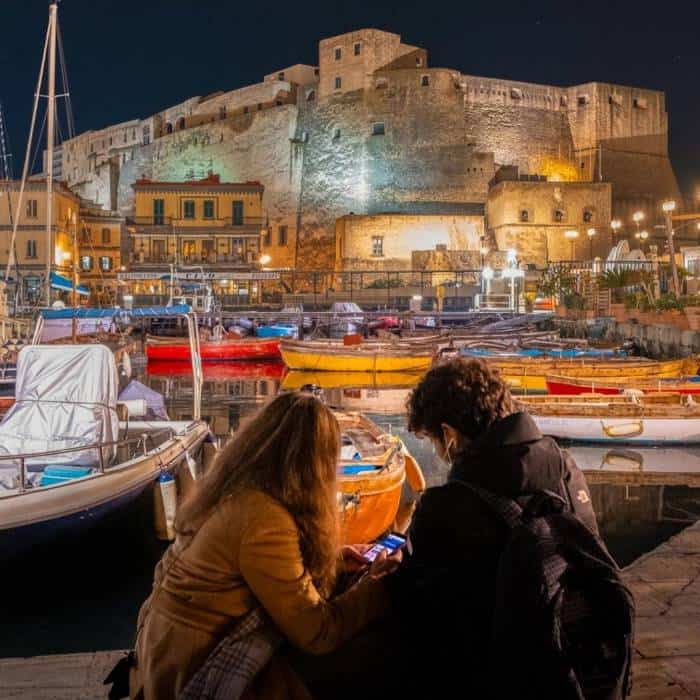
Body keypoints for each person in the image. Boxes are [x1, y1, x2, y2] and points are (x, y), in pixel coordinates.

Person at [128, 391, 397, 699]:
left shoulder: (234, 490)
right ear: (314, 463)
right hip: (197, 671)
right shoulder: (262, 517)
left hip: (163, 658)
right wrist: (377, 587)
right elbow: (316, 632)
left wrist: (335, 561)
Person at [387, 357, 599, 696]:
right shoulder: (565, 468)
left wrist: (393, 570)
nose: (439, 452)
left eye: (434, 441)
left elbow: (420, 606)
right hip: (578, 666)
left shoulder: (446, 505)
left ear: (449, 435)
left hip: (499, 676)